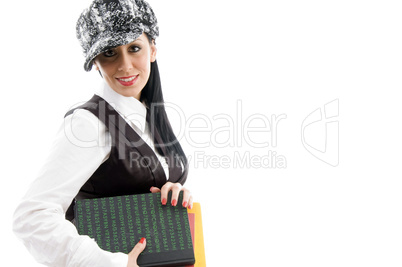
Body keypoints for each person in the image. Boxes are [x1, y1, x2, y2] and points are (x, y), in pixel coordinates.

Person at [12, 0, 192, 266]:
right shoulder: (88, 124)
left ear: (152, 49)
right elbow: (31, 216)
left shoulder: (147, 114)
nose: (126, 66)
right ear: (96, 63)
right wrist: (109, 263)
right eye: (109, 53)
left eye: (134, 48)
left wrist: (173, 192)